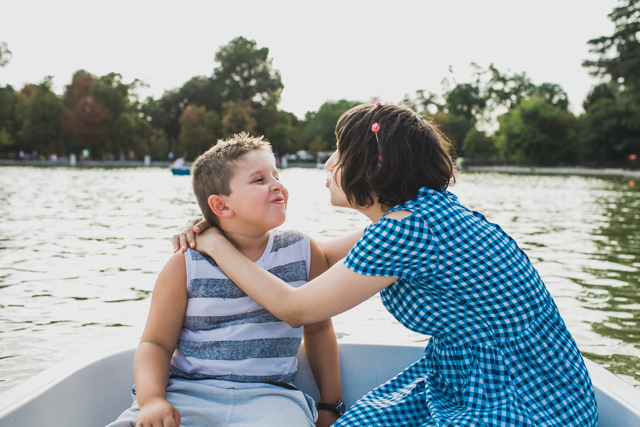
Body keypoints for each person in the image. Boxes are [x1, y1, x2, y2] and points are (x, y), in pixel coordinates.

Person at [176, 103, 598, 426]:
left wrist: (215, 244)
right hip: (466, 375)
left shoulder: (406, 231)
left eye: (339, 154)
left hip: (519, 393)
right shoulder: (420, 216)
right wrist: (225, 229)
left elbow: (296, 308)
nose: (327, 164)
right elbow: (313, 254)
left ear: (371, 166)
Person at [109, 133, 342, 427]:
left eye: (276, 174)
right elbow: (155, 343)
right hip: (186, 393)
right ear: (221, 206)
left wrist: (330, 406)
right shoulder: (186, 262)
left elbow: (320, 330)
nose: (277, 184)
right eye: (259, 180)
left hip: (271, 399)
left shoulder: (303, 251)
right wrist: (152, 400)